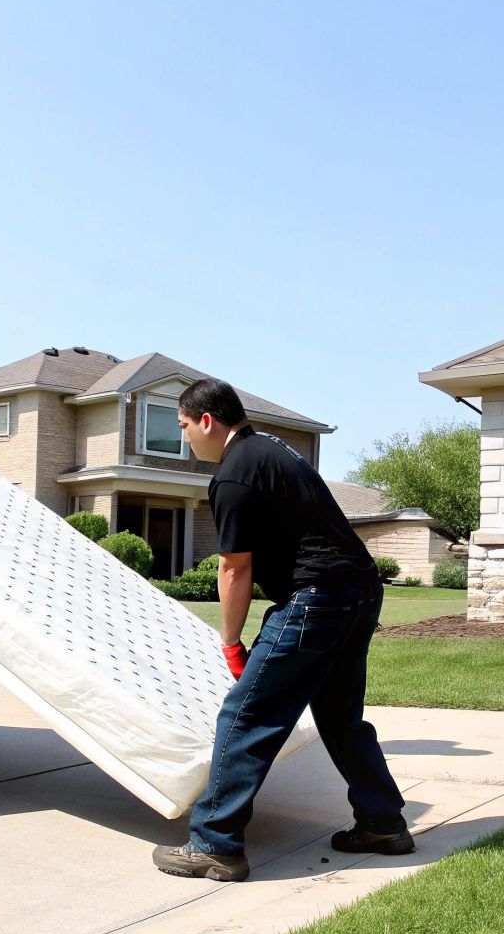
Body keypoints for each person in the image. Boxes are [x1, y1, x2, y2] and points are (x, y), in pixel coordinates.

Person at [153, 378, 410, 882]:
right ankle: (382, 822)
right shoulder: (269, 449)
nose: (185, 438)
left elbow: (233, 570)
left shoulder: (234, 473)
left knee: (246, 717)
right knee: (340, 718)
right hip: (357, 593)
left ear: (206, 421)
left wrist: (230, 641)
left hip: (315, 600)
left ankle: (214, 845)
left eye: (183, 426)